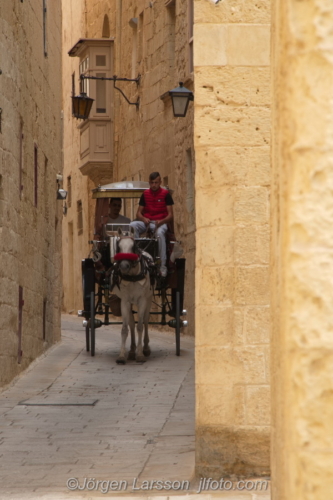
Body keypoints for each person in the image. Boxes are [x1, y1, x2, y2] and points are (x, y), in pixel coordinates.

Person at [130, 172, 174, 277]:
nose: (154, 185)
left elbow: (170, 215)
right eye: (152, 183)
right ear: (149, 183)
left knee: (159, 234)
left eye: (156, 182)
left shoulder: (165, 194)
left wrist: (161, 221)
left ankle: (162, 265)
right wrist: (143, 218)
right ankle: (136, 254)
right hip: (148, 221)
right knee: (132, 225)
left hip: (160, 222)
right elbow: (138, 213)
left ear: (160, 182)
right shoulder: (145, 194)